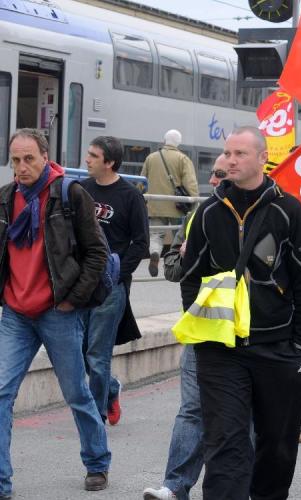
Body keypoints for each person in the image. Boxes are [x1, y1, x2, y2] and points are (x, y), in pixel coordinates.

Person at [182, 126, 301, 499]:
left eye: (240, 154)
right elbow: (190, 276)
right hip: (220, 351)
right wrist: (202, 331)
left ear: (263, 158)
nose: (230, 160)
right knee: (225, 443)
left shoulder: (288, 210)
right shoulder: (209, 212)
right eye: (227, 153)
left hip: (278, 346)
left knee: (277, 444)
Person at [0, 129, 112, 496]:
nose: (22, 167)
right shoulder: (5, 198)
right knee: (0, 394)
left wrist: (72, 300)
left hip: (57, 311)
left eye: (29, 159)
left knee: (76, 393)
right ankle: (1, 481)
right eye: (15, 160)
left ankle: (97, 462)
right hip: (16, 314)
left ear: (45, 157)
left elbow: (97, 253)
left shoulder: (70, 194)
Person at [142, 155, 228, 500]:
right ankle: (175, 487)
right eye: (215, 174)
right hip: (201, 328)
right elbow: (173, 268)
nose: (215, 180)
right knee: (192, 409)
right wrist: (188, 255)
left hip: (245, 333)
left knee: (246, 414)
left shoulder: (258, 217)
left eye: (222, 174)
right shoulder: (198, 215)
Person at [80, 136, 149, 426]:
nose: (87, 159)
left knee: (97, 353)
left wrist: (117, 273)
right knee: (79, 350)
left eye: (93, 156)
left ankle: (95, 417)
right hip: (80, 283)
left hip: (110, 287)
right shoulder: (81, 189)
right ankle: (110, 388)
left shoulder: (131, 196)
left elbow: (141, 243)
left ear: (109, 162)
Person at [140, 129, 199, 277]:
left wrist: (140, 195)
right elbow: (190, 183)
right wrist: (195, 201)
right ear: (178, 142)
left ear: (164, 140)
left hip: (155, 206)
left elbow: (142, 181)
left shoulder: (151, 158)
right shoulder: (183, 159)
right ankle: (176, 265)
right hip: (177, 206)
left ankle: (155, 254)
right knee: (178, 235)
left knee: (156, 235)